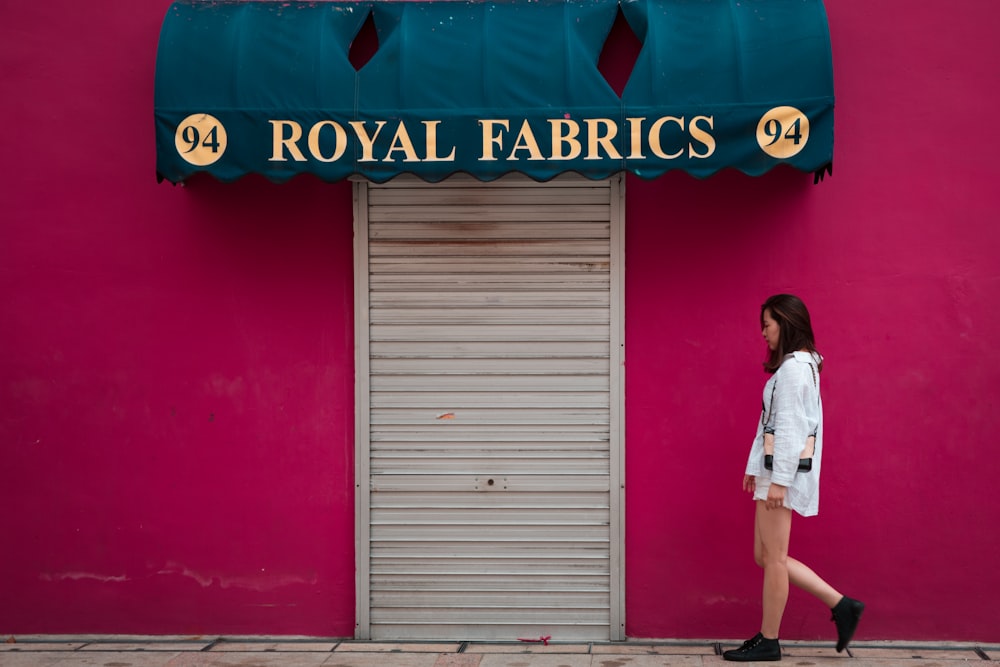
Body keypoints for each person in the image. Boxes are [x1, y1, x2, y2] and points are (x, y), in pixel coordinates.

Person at [723, 294, 864, 662]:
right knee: (767, 556)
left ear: (784, 323)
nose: (764, 334)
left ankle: (769, 640)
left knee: (773, 558)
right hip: (774, 471)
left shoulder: (795, 369)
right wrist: (756, 469)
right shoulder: (795, 367)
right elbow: (770, 423)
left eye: (767, 325)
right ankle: (842, 604)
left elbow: (789, 427)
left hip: (781, 474)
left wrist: (780, 480)